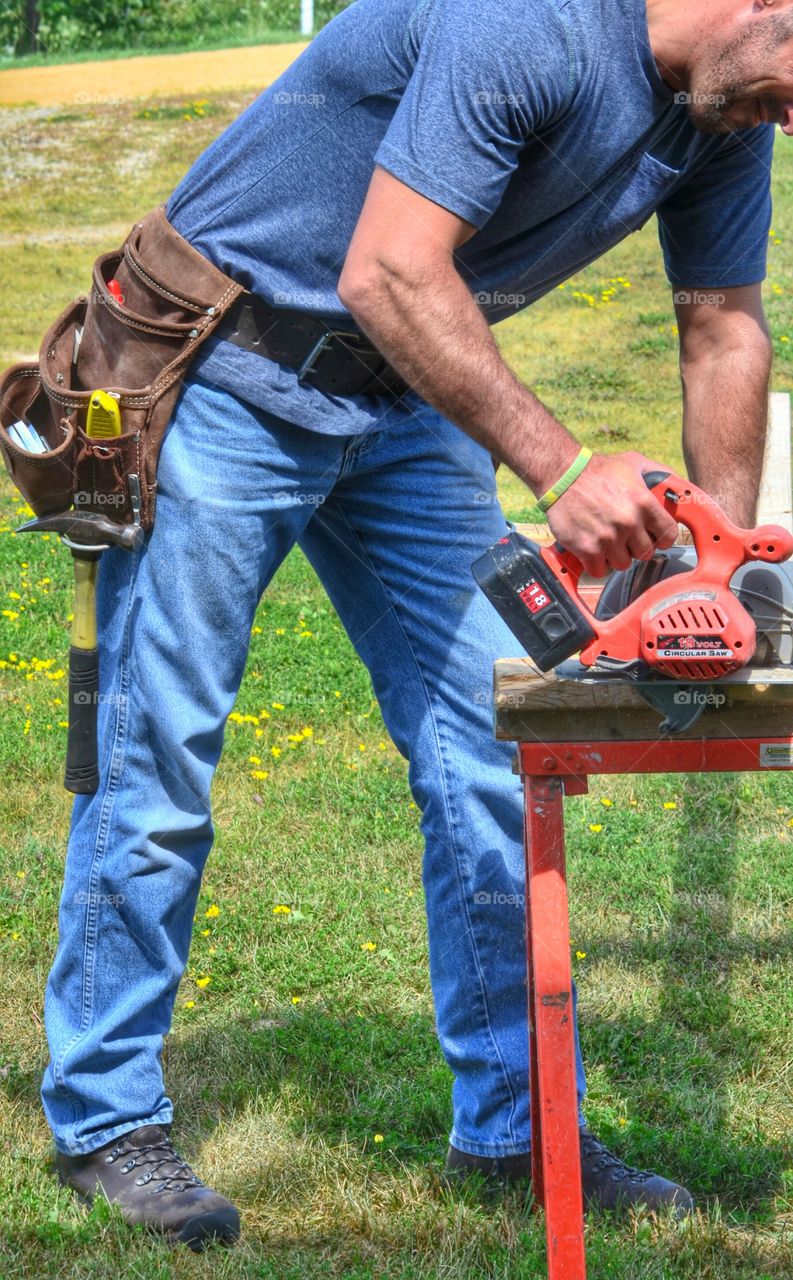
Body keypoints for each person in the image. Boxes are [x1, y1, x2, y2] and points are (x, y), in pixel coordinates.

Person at [47, 0, 783, 1249]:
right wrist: (560, 469)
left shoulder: (727, 107)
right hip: (228, 370)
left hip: (405, 392)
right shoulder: (530, 25)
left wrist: (716, 563)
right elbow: (385, 266)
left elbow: (722, 324)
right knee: (157, 755)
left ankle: (512, 1126)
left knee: (490, 751)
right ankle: (105, 1115)